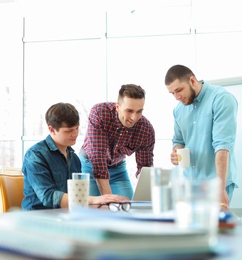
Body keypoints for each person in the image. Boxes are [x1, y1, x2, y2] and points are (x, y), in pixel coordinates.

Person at [22, 102, 129, 210]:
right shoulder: (35, 155)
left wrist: (106, 203)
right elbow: (48, 196)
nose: (75, 134)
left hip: (64, 216)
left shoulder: (74, 159)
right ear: (51, 130)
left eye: (76, 128)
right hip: (38, 217)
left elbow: (76, 199)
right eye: (69, 131)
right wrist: (95, 199)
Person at [164, 64, 238, 211]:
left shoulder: (222, 99)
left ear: (192, 81)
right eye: (172, 93)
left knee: (217, 231)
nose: (177, 97)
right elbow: (178, 140)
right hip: (189, 185)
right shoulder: (178, 110)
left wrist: (220, 187)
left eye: (179, 90)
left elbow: (222, 146)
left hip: (215, 183)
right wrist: (176, 152)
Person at [79, 84, 155, 199]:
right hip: (88, 167)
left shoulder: (146, 130)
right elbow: (98, 158)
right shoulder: (100, 113)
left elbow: (145, 168)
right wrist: (109, 199)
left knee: (127, 207)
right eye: (129, 111)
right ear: (117, 107)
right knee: (92, 210)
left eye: (139, 111)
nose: (134, 117)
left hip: (117, 170)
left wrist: (147, 191)